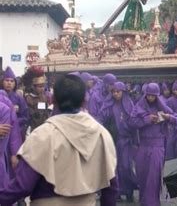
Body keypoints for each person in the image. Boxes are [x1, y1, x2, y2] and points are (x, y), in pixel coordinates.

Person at [0, 74, 118, 205]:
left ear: (53, 100)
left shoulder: (43, 134)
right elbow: (111, 186)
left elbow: (23, 186)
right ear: (84, 101)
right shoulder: (101, 133)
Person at [127, 83, 177, 206]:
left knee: (153, 176)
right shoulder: (139, 106)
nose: (150, 98)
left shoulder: (163, 107)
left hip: (157, 146)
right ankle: (144, 201)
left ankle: (152, 202)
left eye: (153, 96)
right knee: (142, 174)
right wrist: (147, 120)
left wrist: (168, 117)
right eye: (149, 95)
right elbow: (132, 122)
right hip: (143, 145)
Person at [97, 82, 137, 202]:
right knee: (113, 167)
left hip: (125, 141)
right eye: (113, 92)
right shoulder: (108, 105)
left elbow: (134, 122)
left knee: (125, 166)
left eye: (118, 92)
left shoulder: (129, 105)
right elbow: (101, 118)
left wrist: (134, 140)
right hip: (111, 140)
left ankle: (129, 191)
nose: (115, 94)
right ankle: (117, 192)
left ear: (123, 92)